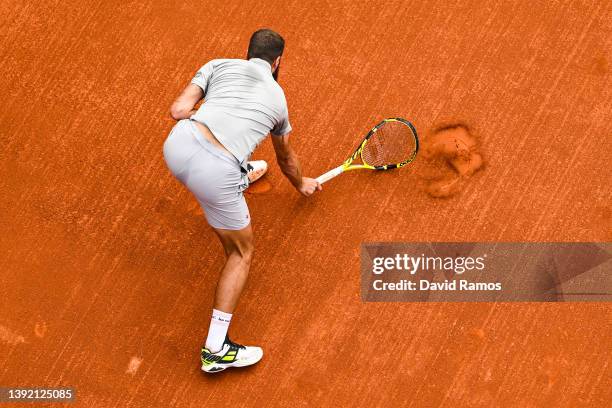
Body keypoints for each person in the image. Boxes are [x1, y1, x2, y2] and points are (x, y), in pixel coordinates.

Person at [163, 28, 321, 373]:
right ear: (278, 61)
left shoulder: (217, 65)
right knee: (240, 252)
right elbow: (285, 159)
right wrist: (301, 184)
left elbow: (178, 111)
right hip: (214, 176)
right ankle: (216, 349)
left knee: (222, 159)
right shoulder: (278, 100)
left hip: (177, 148)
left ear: (247, 51)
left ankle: (239, 171)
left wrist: (208, 122)